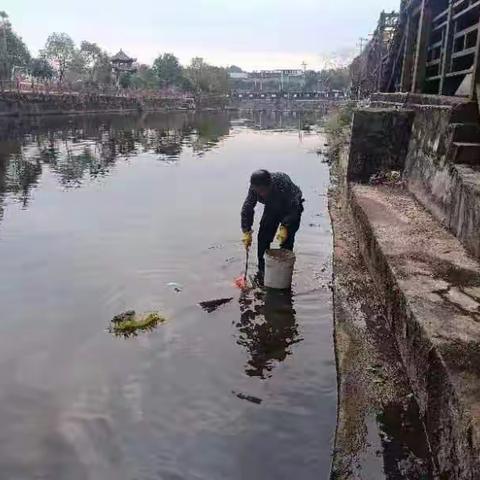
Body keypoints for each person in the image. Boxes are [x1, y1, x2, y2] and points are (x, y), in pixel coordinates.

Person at [241, 169, 304, 275]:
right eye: (258, 191)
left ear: (270, 185)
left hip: (290, 207)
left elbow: (295, 207)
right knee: (263, 238)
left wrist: (285, 226)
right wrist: (246, 230)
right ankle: (262, 271)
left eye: (263, 190)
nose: (261, 194)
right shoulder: (254, 188)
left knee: (286, 242)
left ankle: (283, 272)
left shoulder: (282, 183)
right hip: (272, 208)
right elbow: (248, 208)